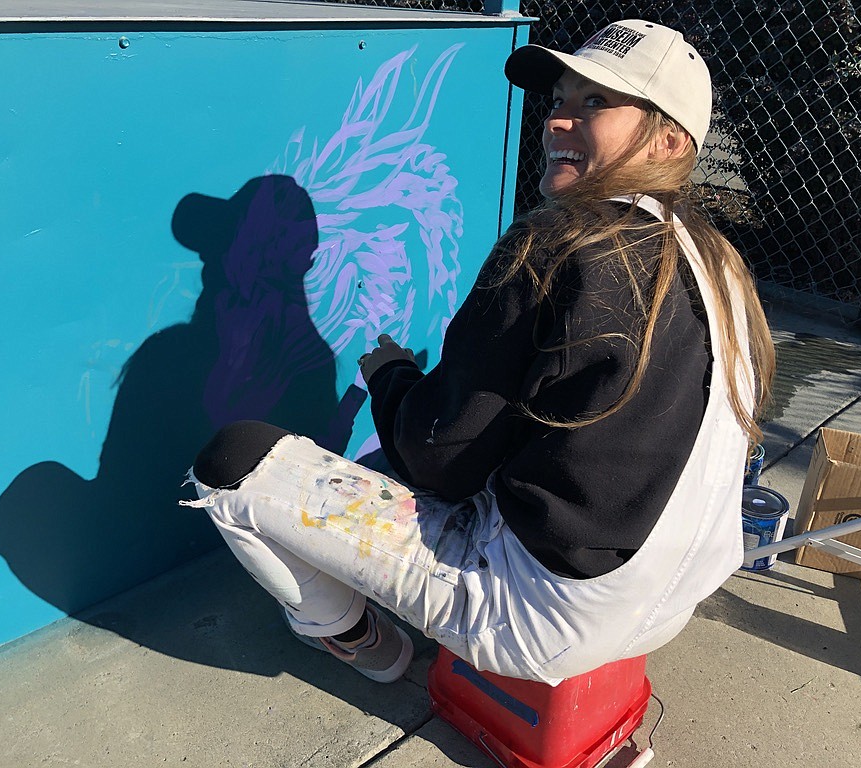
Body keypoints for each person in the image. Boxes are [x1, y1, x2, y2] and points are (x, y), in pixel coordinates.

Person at [182, 19, 775, 685]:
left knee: (232, 464)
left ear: (669, 140)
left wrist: (392, 377)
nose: (556, 122)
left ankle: (360, 642)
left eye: (595, 103)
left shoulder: (557, 245)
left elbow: (440, 460)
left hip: (534, 617)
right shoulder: (720, 266)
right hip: (667, 606)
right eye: (558, 101)